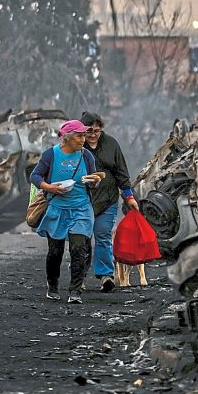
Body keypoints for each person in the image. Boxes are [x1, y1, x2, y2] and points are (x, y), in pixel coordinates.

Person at [30, 120, 96, 303]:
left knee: (79, 249)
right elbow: (34, 176)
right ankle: (52, 285)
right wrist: (49, 187)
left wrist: (95, 182)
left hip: (81, 208)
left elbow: (93, 177)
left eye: (84, 135)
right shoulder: (51, 155)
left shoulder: (87, 156)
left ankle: (75, 291)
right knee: (55, 251)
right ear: (66, 138)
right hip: (57, 209)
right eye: (79, 135)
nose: (83, 139)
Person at [79, 112, 139, 293]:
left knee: (103, 235)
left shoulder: (111, 144)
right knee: (81, 239)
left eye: (97, 130)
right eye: (89, 131)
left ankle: (106, 275)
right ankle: (78, 276)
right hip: (83, 201)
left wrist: (129, 196)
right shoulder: (76, 145)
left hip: (107, 200)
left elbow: (122, 171)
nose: (93, 134)